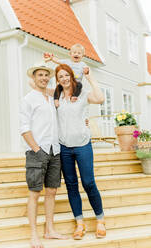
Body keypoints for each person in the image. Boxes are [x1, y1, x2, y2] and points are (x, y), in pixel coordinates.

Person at [55, 64, 106, 240]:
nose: (64, 79)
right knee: (71, 185)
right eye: (60, 76)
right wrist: (47, 63)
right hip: (64, 147)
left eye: (66, 75)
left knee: (88, 182)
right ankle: (80, 223)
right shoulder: (57, 97)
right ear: (58, 80)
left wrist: (90, 77)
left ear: (71, 76)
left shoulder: (82, 93)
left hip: (83, 144)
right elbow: (33, 83)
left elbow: (100, 98)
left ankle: (100, 220)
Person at [19, 62, 67, 248]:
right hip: (37, 151)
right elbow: (24, 128)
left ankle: (50, 230)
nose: (44, 78)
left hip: (55, 150)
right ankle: (33, 234)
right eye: (40, 75)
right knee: (34, 193)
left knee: (52, 191)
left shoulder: (51, 99)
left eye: (46, 75)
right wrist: (37, 149)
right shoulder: (28, 99)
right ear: (34, 78)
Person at [43, 43, 89, 108]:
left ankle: (74, 96)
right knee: (58, 87)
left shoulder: (83, 64)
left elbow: (87, 71)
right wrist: (52, 58)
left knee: (80, 85)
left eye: (79, 53)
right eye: (74, 52)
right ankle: (56, 99)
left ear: (82, 56)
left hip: (75, 83)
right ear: (70, 54)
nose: (76, 54)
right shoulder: (67, 62)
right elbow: (58, 61)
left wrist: (86, 71)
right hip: (67, 81)